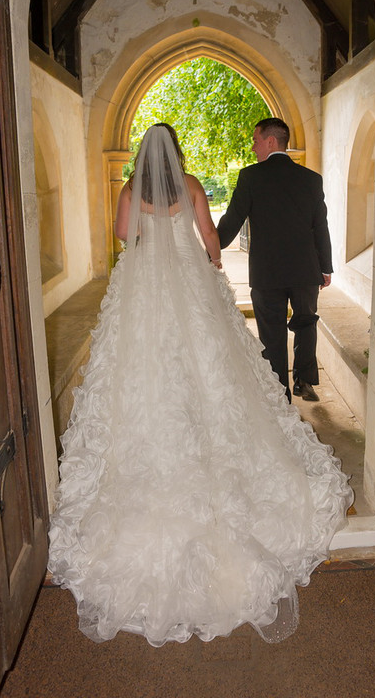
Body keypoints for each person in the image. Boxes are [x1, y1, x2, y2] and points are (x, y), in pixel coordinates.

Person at [48, 123, 352, 647]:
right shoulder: (190, 184)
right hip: (189, 280)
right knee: (214, 364)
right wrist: (212, 264)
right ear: (177, 154)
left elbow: (125, 235)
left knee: (146, 365)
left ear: (143, 157)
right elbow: (210, 234)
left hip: (145, 282)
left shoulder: (129, 190)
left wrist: (146, 231)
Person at [217, 117, 332, 403]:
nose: (253, 147)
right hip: (306, 269)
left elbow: (232, 221)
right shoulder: (311, 179)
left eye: (256, 141)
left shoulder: (250, 177)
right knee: (306, 322)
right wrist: (325, 267)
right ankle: (304, 381)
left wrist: (210, 250)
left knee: (271, 329)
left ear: (270, 141)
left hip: (267, 272)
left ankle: (278, 391)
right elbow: (321, 226)